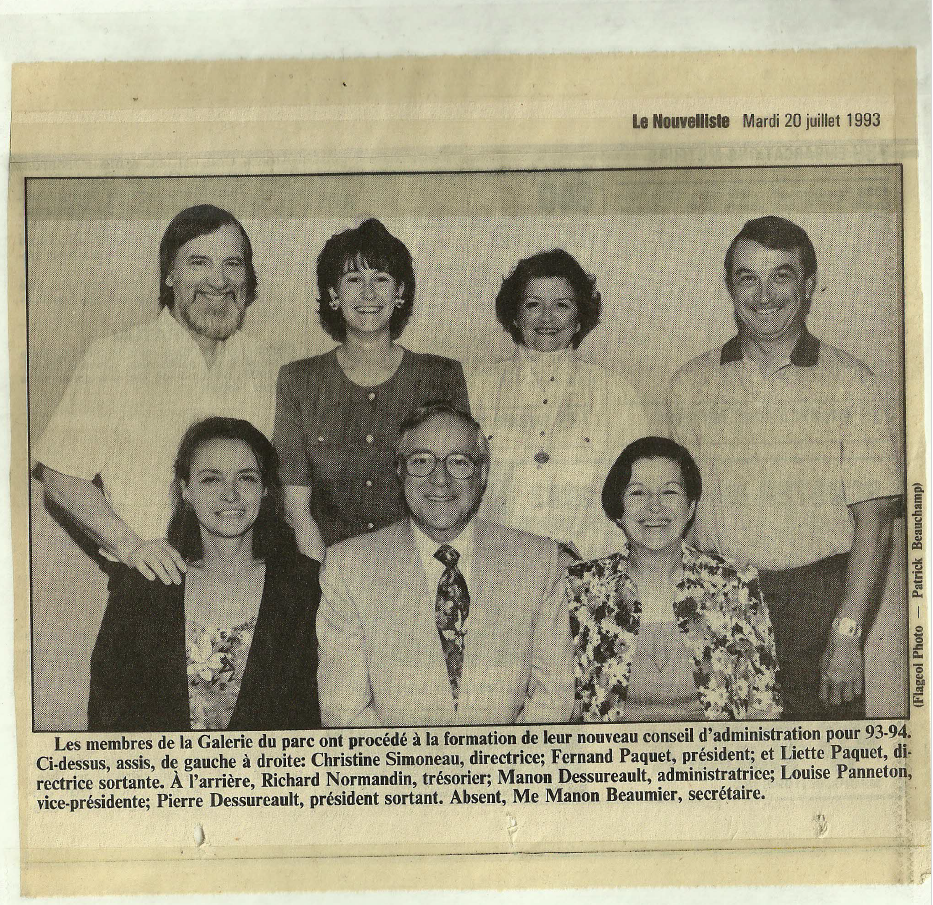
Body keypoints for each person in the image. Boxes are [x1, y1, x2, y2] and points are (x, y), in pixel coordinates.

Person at [667, 215, 902, 719]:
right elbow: (673, 519)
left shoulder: (854, 382)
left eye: (782, 275)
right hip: (721, 605)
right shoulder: (689, 385)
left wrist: (847, 637)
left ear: (809, 285)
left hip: (818, 608)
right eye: (748, 276)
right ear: (730, 287)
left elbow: (875, 526)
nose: (765, 293)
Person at [37, 204, 277, 586]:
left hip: (245, 586)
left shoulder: (266, 365)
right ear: (170, 275)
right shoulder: (115, 356)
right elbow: (61, 476)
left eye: (233, 264)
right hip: (149, 583)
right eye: (199, 262)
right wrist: (133, 548)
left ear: (248, 279)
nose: (219, 281)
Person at [317, 402, 575, 727]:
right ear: (400, 471)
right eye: (421, 461)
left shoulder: (539, 561)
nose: (440, 479)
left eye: (459, 462)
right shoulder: (349, 566)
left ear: (482, 474)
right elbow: (345, 712)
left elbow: (552, 697)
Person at [88, 417, 321, 731]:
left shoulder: (306, 587)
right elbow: (107, 722)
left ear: (265, 489)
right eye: (211, 479)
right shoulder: (144, 587)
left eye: (247, 478)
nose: (231, 495)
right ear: (185, 490)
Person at [274, 218, 470, 560]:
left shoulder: (441, 376)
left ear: (400, 293)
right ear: (334, 294)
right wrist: (331, 581)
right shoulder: (299, 381)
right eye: (354, 280)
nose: (368, 293)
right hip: (326, 567)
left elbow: (456, 489)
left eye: (381, 279)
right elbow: (296, 509)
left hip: (417, 568)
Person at [563, 436, 782, 722]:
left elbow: (764, 707)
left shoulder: (735, 585)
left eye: (669, 493)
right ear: (619, 510)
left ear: (690, 508)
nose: (654, 507)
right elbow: (564, 705)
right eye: (638, 493)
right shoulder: (581, 588)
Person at [467, 249, 648, 560]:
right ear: (515, 315)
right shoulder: (475, 389)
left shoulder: (616, 394)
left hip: (592, 572)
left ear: (579, 319)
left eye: (561, 305)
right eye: (533, 305)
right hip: (496, 568)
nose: (547, 318)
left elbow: (640, 492)